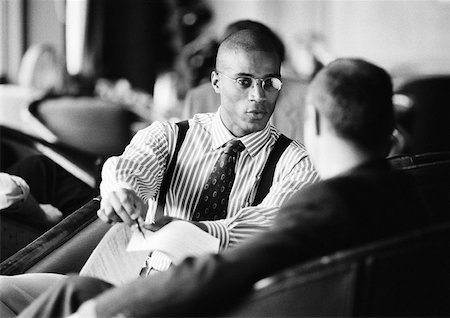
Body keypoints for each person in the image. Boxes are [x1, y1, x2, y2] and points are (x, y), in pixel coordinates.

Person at [12, 57, 443, 318]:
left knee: (75, 295)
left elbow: (220, 273)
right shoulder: (418, 193)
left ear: (312, 122)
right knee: (72, 289)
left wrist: (105, 311)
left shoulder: (324, 207)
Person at [0, 28, 318, 317]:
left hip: (212, 305)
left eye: (270, 83)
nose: (259, 96)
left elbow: (272, 225)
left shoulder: (296, 163)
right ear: (216, 81)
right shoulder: (171, 134)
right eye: (245, 81)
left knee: (77, 295)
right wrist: (122, 191)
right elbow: (130, 165)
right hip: (130, 279)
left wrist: (196, 232)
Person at [181, 19, 312, 142]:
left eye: (268, 79)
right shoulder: (198, 99)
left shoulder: (305, 96)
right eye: (243, 81)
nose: (257, 95)